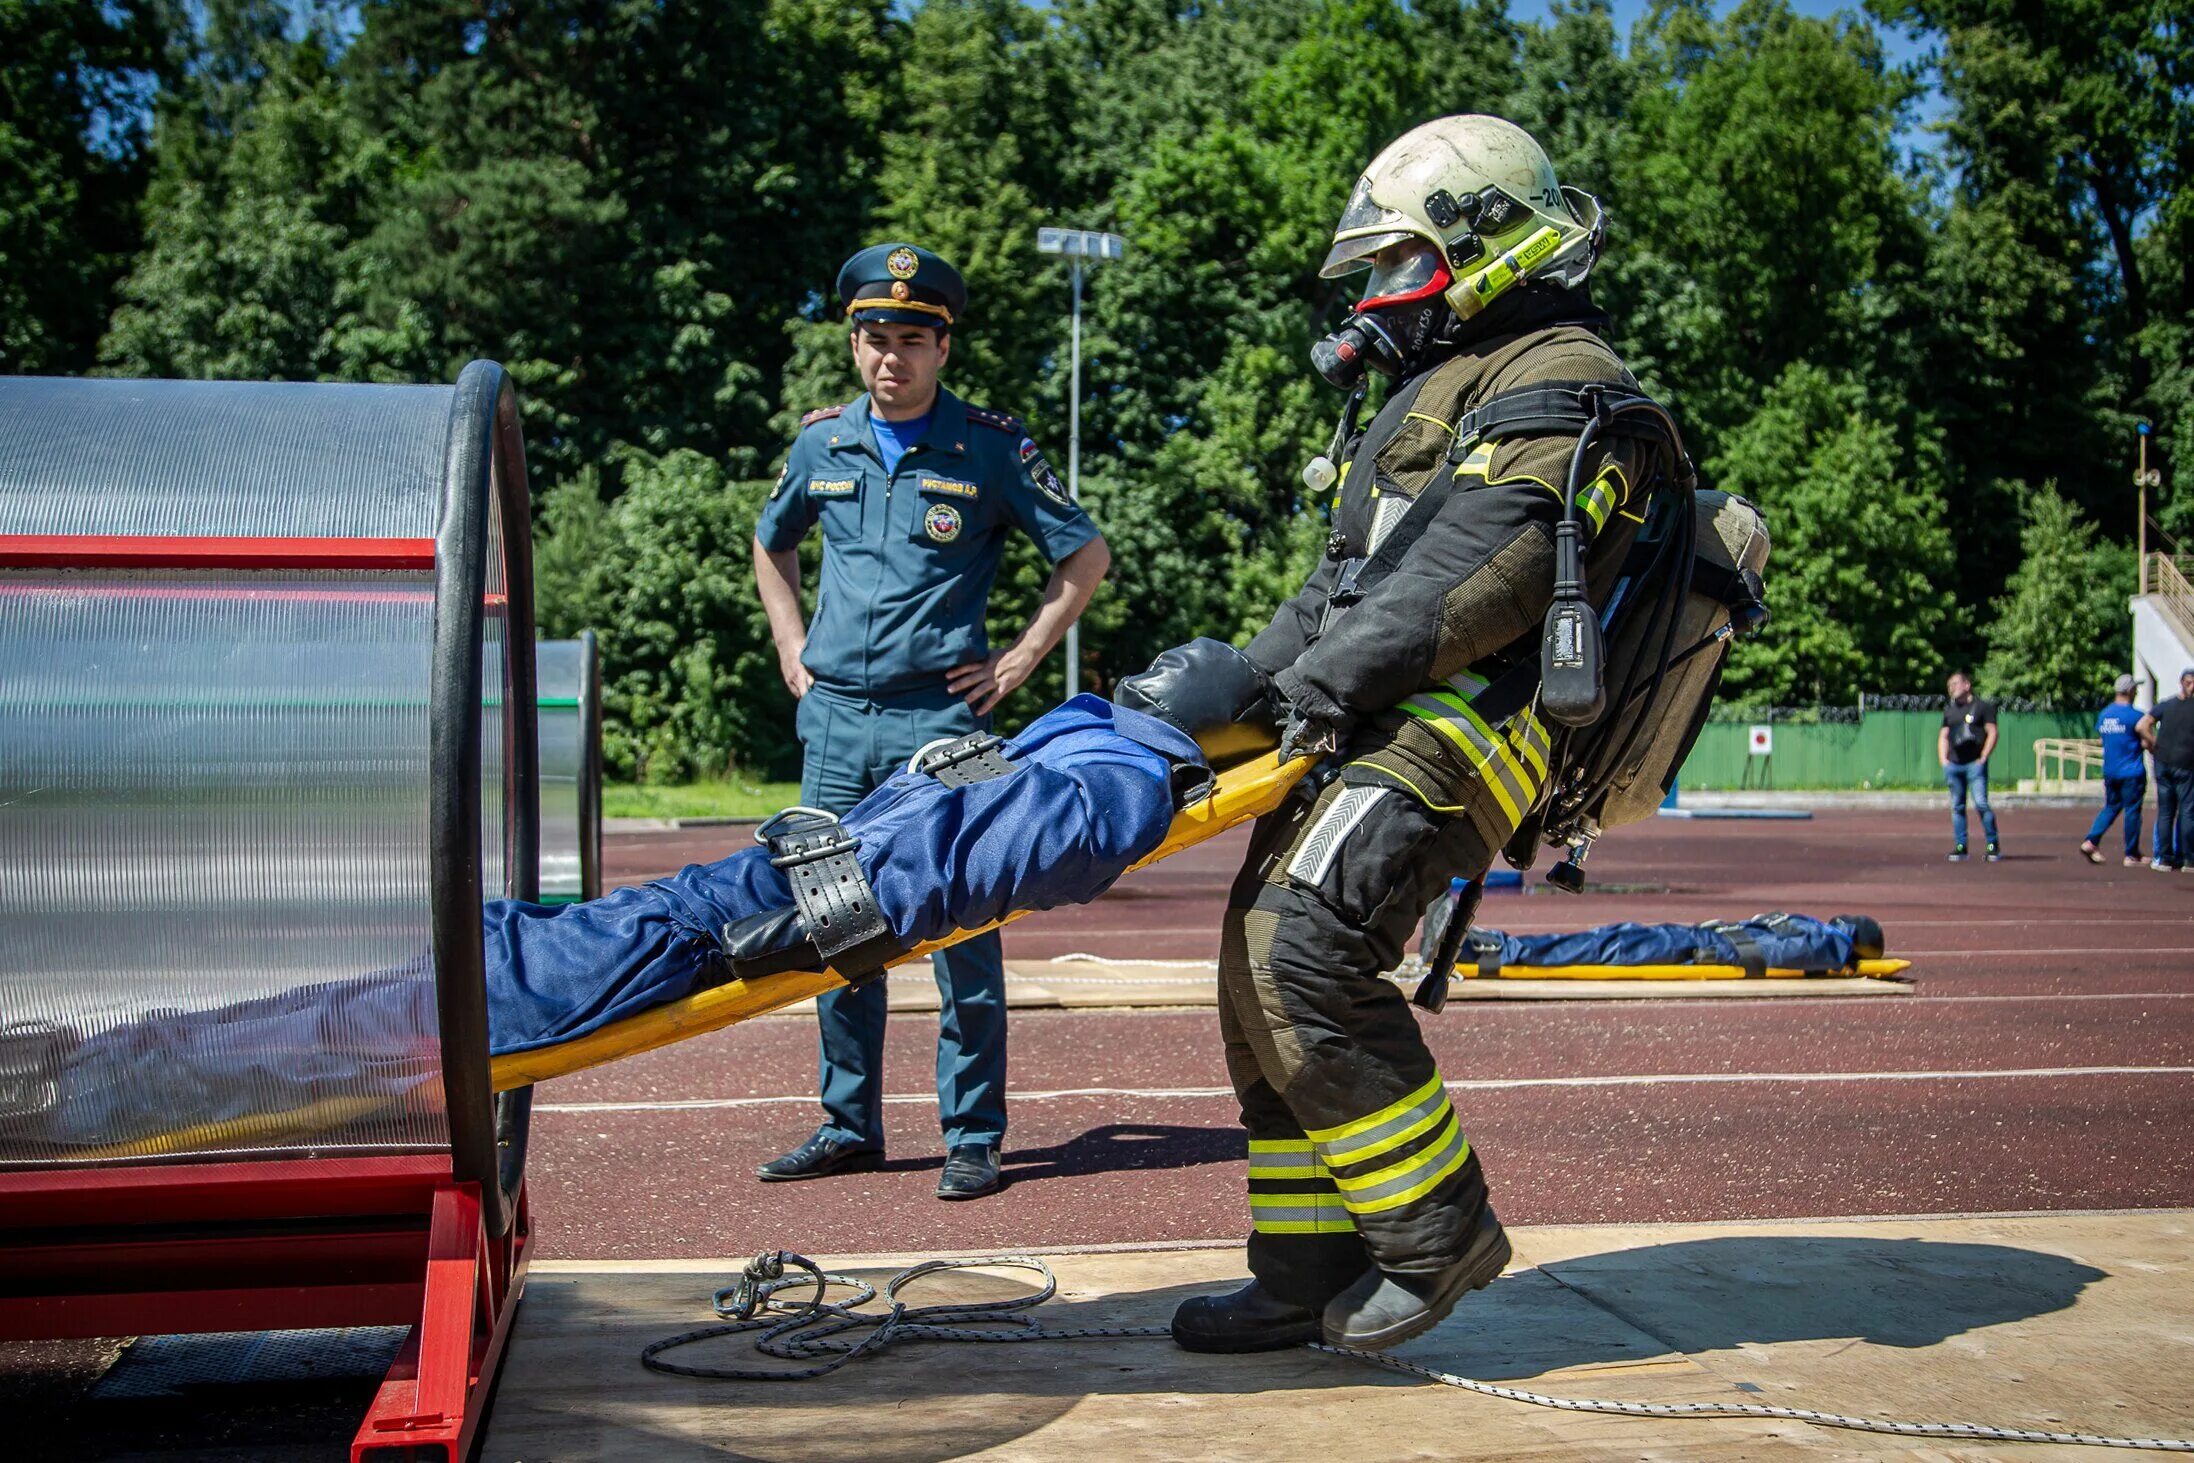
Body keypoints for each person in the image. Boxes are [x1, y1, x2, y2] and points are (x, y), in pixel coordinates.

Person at [1162, 115, 1663, 1355]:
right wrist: (1210, 697)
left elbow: (1475, 573)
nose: (1376, 298)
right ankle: (1299, 1267)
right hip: (1385, 710)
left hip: (1472, 720)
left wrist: (1307, 689)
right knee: (1252, 964)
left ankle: (1439, 1237)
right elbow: (1342, 587)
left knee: (1299, 946)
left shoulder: (1563, 376)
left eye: (1395, 264)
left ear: (1483, 240)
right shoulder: (1428, 393)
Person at [750, 243, 1112, 1199]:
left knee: (963, 920)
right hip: (835, 724)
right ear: (854, 341)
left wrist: (1022, 658)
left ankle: (973, 1132)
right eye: (874, 338)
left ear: (943, 345)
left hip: (945, 723)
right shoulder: (821, 443)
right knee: (837, 924)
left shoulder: (990, 446)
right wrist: (792, 649)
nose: (890, 357)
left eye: (911, 339)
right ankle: (847, 1122)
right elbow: (770, 543)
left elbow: (1084, 555)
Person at [2081, 674, 2147, 866]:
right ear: (2130, 691)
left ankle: (2091, 840)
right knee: (2133, 810)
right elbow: (2144, 739)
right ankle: (2131, 853)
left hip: (2110, 769)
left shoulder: (2105, 714)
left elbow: (2103, 739)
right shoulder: (2136, 716)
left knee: (2111, 806)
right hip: (2131, 770)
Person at [1939, 670, 2000, 862]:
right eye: (1949, 686)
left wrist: (1983, 756)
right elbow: (1943, 735)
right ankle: (1961, 846)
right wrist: (1944, 760)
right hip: (1955, 765)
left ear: (1967, 685)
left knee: (1981, 804)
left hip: (1974, 764)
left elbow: (1992, 732)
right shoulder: (1950, 710)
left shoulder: (1982, 707)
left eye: (1955, 684)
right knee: (1957, 807)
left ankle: (1992, 845)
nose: (1952, 689)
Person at [2138, 667, 2194, 872]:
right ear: (2182, 683)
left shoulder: (2166, 705)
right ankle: (2188, 858)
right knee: (2187, 811)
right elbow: (2142, 726)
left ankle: (2164, 858)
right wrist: (2155, 744)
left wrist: (2155, 746)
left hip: (2163, 763)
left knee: (2166, 812)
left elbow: (2143, 725)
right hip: (2186, 765)